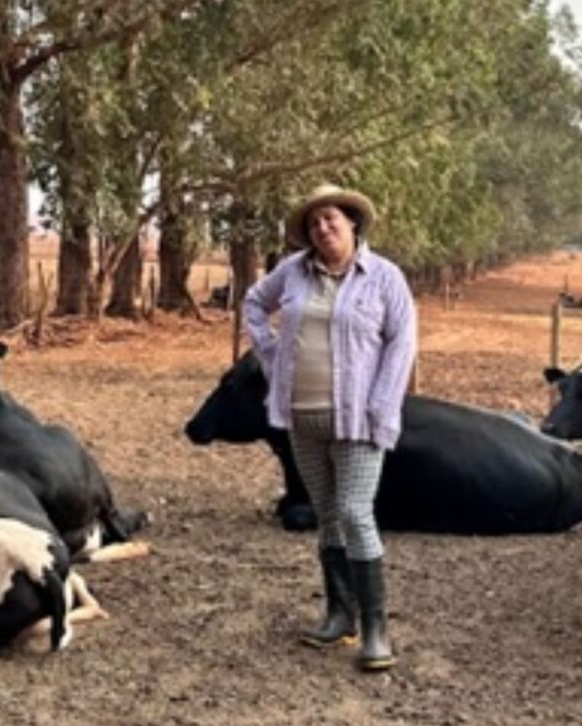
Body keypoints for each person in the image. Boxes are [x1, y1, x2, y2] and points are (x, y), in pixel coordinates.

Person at [243, 183, 416, 671]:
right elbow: (255, 304)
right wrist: (273, 355)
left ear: (352, 223)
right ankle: (340, 613)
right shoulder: (293, 273)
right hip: (303, 416)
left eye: (331, 220)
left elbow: (401, 345)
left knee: (356, 511)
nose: (323, 229)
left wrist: (382, 407)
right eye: (314, 223)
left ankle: (376, 627)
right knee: (327, 514)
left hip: (358, 418)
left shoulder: (384, 278)